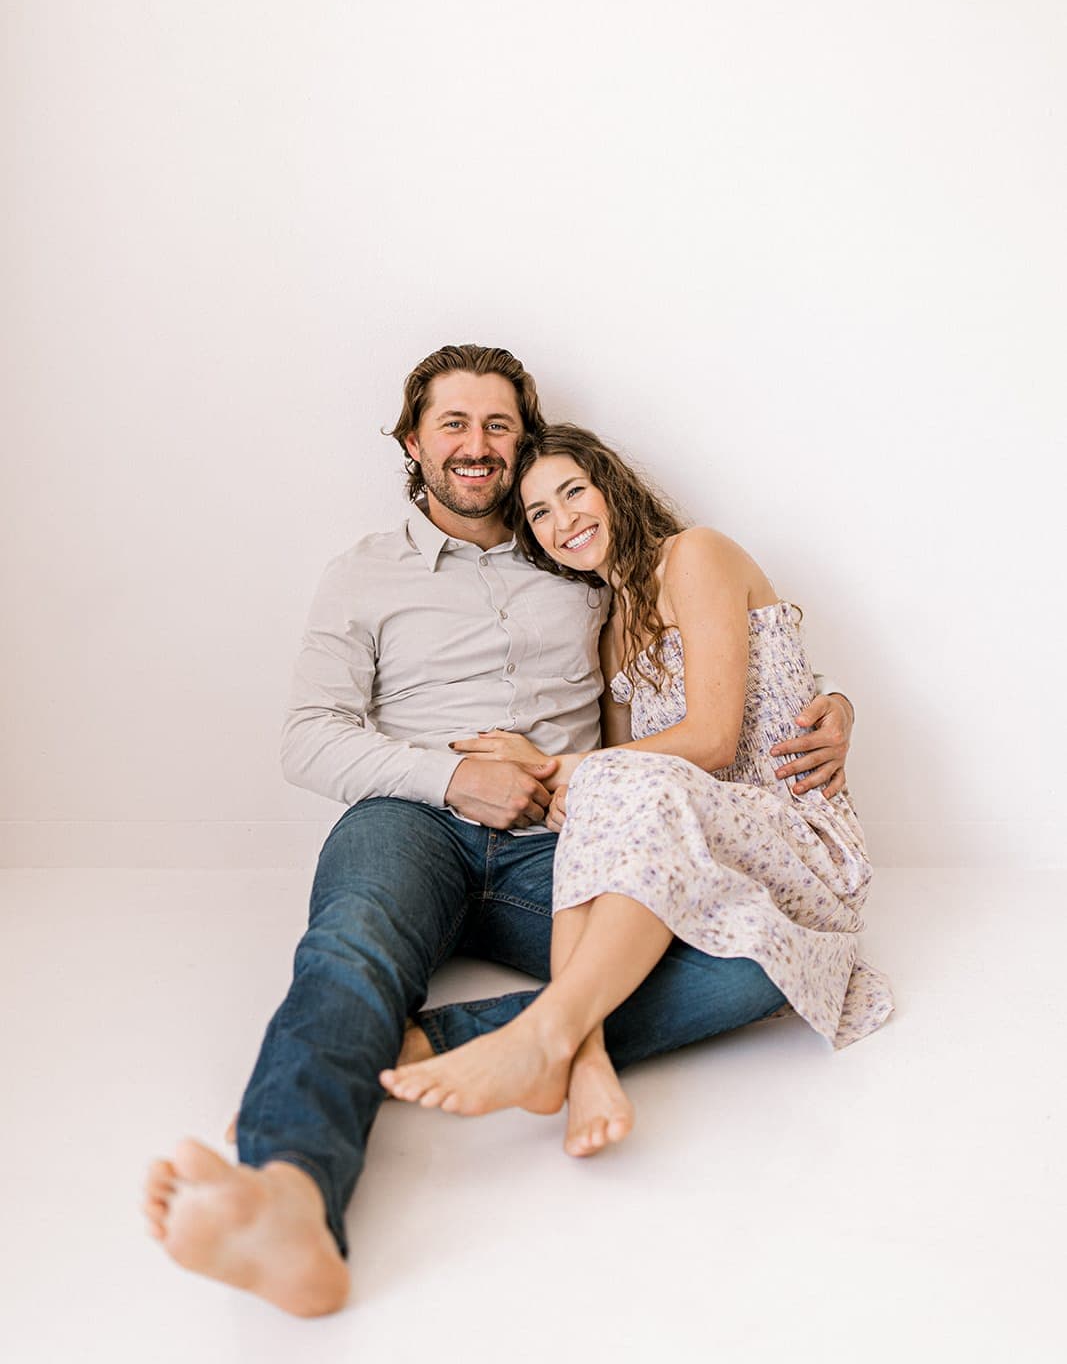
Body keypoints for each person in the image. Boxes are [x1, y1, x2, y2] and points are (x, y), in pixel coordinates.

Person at [142, 344, 858, 1317]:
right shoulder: (361, 574)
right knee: (348, 953)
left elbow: (685, 723)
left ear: (524, 445)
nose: (477, 446)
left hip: (564, 838)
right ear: (413, 441)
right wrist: (454, 777)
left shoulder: (587, 579)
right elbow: (307, 741)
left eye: (497, 427)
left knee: (754, 966)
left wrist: (832, 705)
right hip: (413, 821)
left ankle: (405, 1051)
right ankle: (288, 1197)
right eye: (453, 424)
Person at [380, 424, 893, 1133]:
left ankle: (526, 1039)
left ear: (609, 487)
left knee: (614, 779)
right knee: (601, 799)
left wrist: (562, 766)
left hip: (796, 837)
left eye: (573, 493)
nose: (564, 522)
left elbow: (711, 741)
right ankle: (582, 1058)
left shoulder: (695, 556)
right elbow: (617, 786)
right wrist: (547, 768)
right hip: (707, 845)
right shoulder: (613, 625)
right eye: (539, 514)